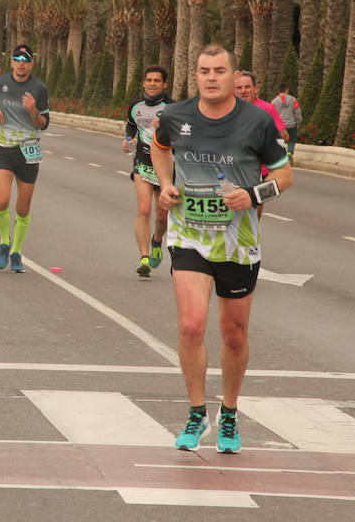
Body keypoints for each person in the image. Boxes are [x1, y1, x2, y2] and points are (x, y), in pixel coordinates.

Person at [152, 44, 293, 454]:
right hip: (189, 235)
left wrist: (253, 194)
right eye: (203, 71)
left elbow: (285, 176)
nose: (211, 77)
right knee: (191, 325)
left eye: (219, 70)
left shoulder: (257, 122)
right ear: (194, 76)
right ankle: (197, 412)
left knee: (234, 335)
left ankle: (228, 413)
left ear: (234, 77)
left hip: (238, 242)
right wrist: (165, 184)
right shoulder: (177, 117)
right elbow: (159, 147)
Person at [0, 45, 49, 273]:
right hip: (3, 147)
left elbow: (44, 123)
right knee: (2, 200)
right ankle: (4, 242)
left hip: (29, 150)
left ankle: (17, 252)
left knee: (22, 208)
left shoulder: (39, 88)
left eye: (26, 59)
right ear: (11, 62)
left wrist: (33, 112)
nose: (21, 62)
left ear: (32, 64)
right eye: (17, 58)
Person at [123, 66, 173, 277]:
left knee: (162, 215)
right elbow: (131, 126)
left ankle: (157, 240)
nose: (152, 83)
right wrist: (128, 140)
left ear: (164, 84)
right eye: (149, 80)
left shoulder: (172, 108)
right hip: (143, 161)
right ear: (143, 83)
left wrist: (164, 127)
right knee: (143, 209)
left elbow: (183, 135)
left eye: (157, 80)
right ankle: (144, 257)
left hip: (165, 164)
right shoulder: (136, 106)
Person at [234, 71, 289, 218]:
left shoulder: (267, 109)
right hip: (235, 166)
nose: (243, 91)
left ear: (256, 88)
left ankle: (252, 236)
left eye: (247, 87)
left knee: (254, 209)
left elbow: (284, 135)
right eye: (238, 88)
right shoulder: (228, 110)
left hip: (262, 170)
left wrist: (262, 147)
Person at [272, 83, 302, 161]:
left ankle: (282, 155)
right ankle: (289, 153)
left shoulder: (274, 101)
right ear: (286, 90)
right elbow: (297, 112)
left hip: (280, 126)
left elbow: (272, 114)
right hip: (291, 124)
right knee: (291, 140)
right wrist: (298, 121)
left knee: (280, 141)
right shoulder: (293, 99)